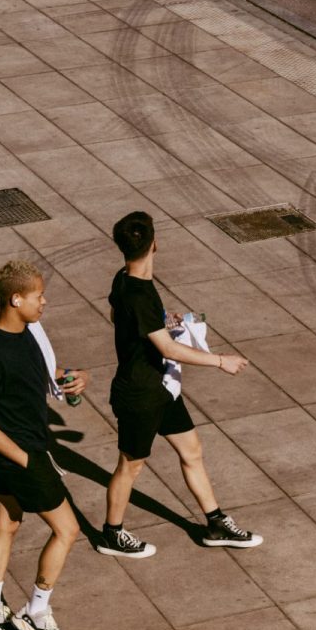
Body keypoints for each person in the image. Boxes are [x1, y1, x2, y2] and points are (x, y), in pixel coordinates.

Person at [97, 210, 263, 558]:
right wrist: (221, 360)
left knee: (192, 451)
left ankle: (216, 523)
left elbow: (117, 316)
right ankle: (112, 534)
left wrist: (159, 321)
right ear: (156, 243)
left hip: (162, 388)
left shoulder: (123, 279)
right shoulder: (139, 294)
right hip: (140, 394)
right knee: (131, 464)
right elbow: (168, 348)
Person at [0, 260, 87, 630]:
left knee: (7, 524)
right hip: (23, 455)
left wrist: (70, 379)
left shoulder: (28, 332)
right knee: (68, 530)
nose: (44, 302)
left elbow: (37, 380)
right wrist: (26, 461)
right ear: (15, 299)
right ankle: (36, 612)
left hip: (30, 447)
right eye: (38, 296)